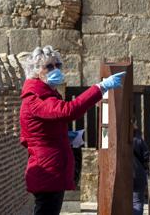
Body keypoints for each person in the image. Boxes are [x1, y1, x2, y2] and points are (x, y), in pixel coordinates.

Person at [18, 46, 126, 215]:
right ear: (36, 71)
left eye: (57, 65)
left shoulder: (46, 94)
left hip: (51, 166)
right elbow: (68, 111)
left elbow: (42, 130)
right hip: (47, 169)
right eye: (49, 66)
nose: (55, 70)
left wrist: (64, 137)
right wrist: (100, 88)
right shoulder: (35, 98)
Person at [131, 121, 149, 215]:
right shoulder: (138, 140)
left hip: (122, 176)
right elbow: (146, 157)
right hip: (138, 174)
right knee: (137, 201)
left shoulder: (118, 140)